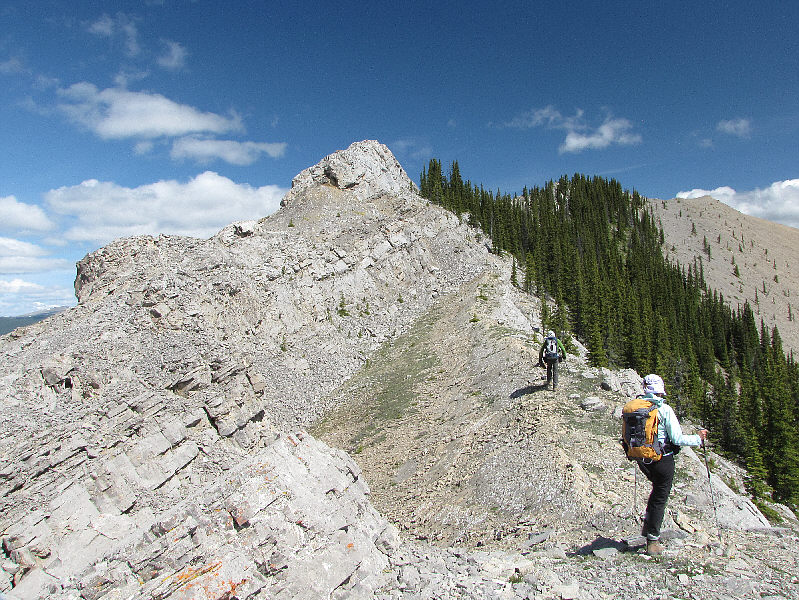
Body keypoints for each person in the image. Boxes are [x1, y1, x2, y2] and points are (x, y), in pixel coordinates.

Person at [635, 373, 708, 555]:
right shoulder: (664, 409)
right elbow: (677, 438)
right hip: (662, 459)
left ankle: (648, 530)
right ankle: (653, 541)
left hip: (642, 459)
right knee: (660, 497)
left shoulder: (636, 407)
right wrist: (697, 439)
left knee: (655, 493)